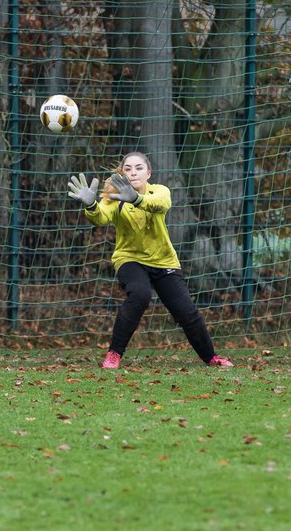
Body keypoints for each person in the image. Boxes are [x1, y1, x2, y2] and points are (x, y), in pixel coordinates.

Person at [66, 151, 232, 370]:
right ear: (122, 173)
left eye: (139, 168)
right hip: (130, 259)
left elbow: (159, 204)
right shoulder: (114, 197)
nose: (133, 172)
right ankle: (114, 354)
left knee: (186, 312)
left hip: (164, 262)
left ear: (148, 173)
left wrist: (136, 199)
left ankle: (211, 357)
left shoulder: (160, 191)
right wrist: (91, 206)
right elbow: (101, 218)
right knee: (140, 295)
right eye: (128, 169)